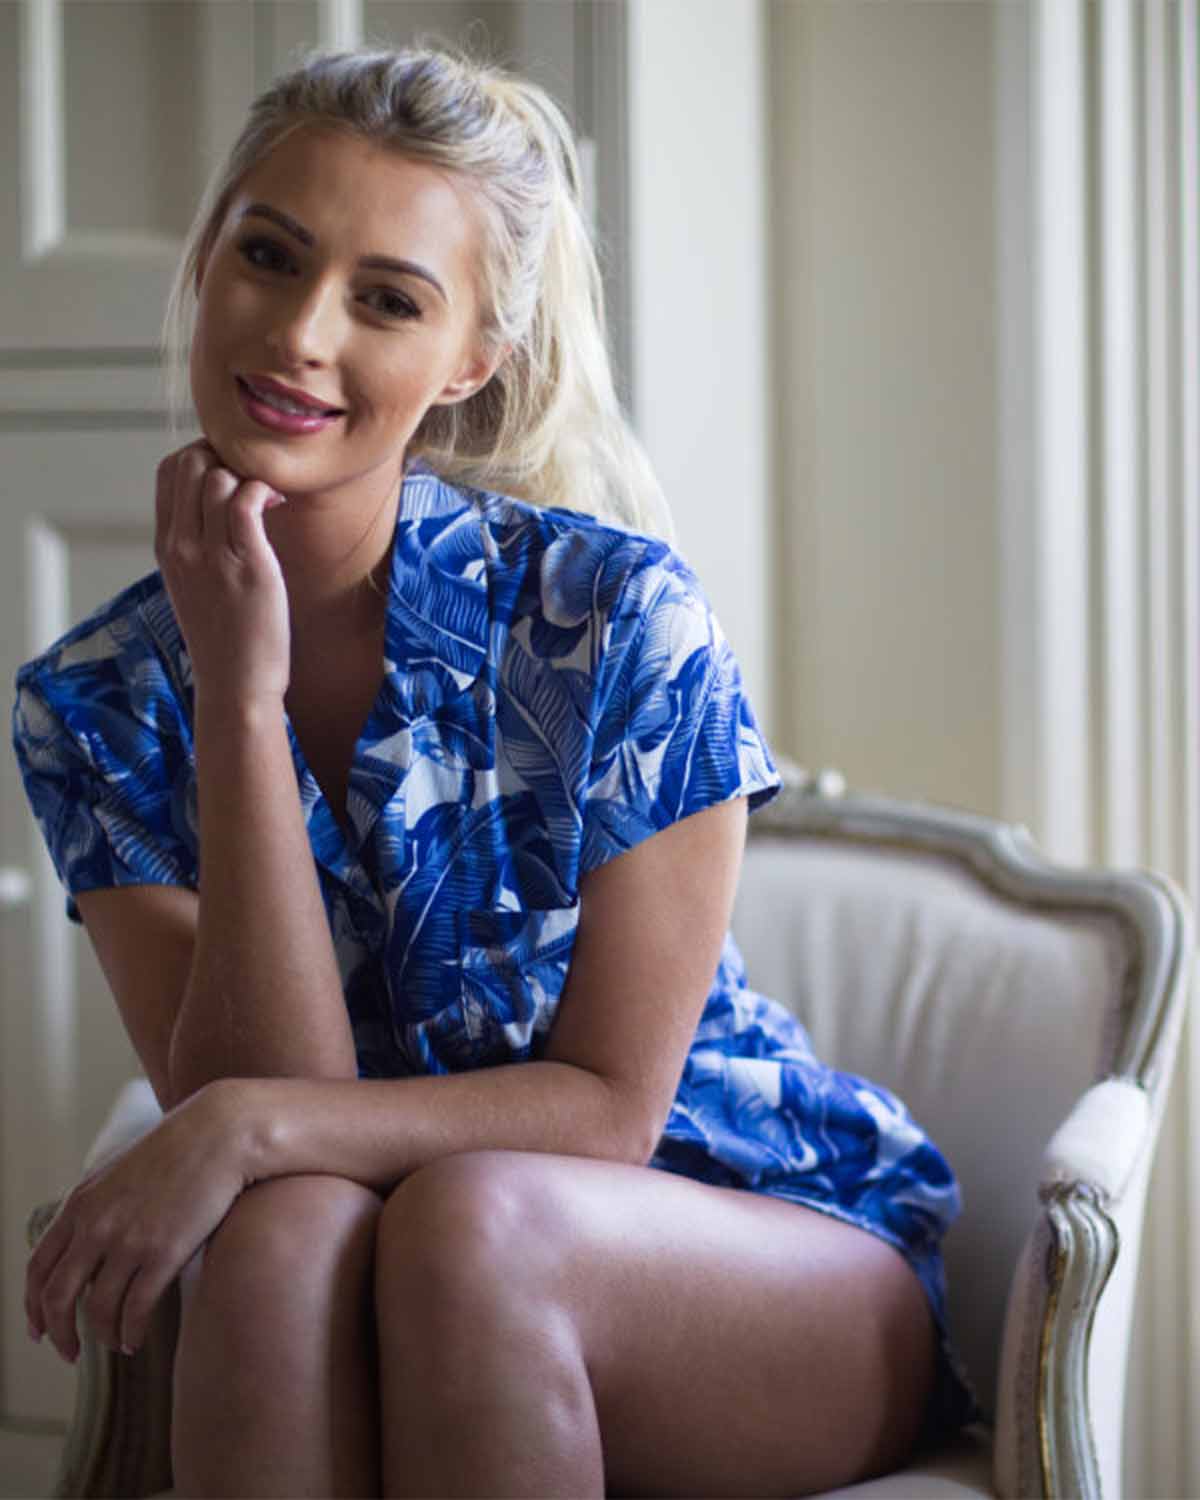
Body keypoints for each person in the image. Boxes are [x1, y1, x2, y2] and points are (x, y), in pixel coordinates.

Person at [14, 45, 973, 1499]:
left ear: (473, 355)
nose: (299, 335)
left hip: (740, 1236)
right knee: (276, 1243)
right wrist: (241, 702)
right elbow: (261, 1130)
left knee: (473, 1227)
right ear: (206, 263)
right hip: (387, 1246)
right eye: (267, 257)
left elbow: (606, 1111)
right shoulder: (94, 701)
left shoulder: (616, 620)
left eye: (387, 299)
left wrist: (249, 1122)